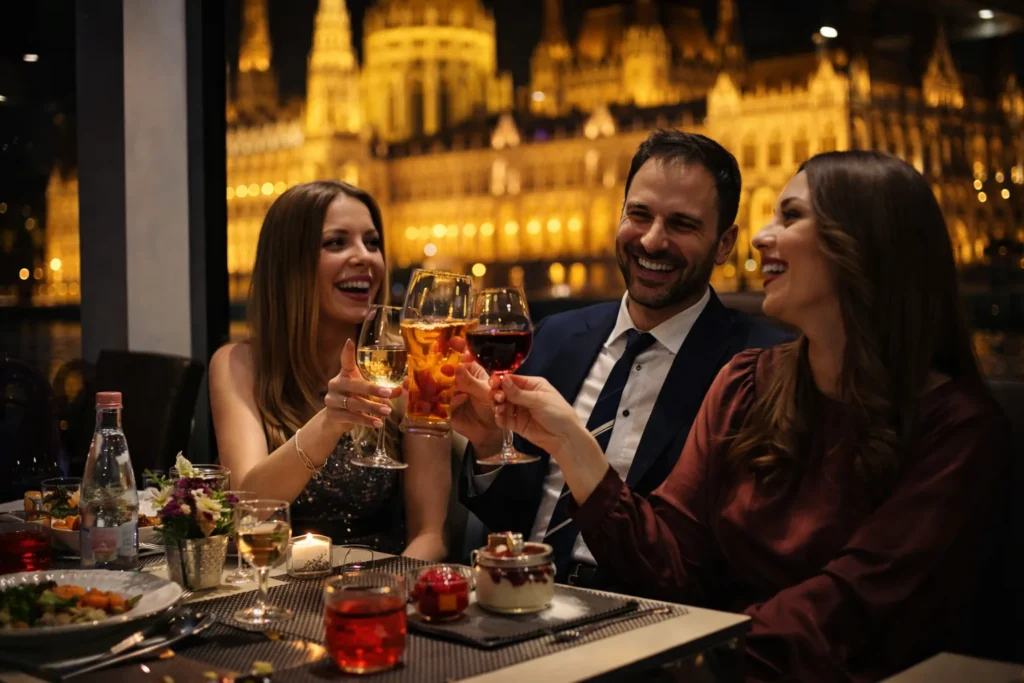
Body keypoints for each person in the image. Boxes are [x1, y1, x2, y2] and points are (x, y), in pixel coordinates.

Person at [490, 151, 1011, 682]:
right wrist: (572, 445)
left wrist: (683, 661)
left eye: (790, 217)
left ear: (866, 246)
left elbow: (845, 616)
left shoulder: (960, 431)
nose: (762, 237)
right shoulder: (746, 383)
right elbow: (671, 564)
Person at [453, 130, 791, 587]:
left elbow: (722, 557)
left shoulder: (759, 367)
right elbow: (515, 517)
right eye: (639, 215)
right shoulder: (555, 337)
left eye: (682, 224)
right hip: (520, 598)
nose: (652, 241)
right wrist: (491, 446)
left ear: (725, 243)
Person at [209, 181, 449, 561]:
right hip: (272, 587)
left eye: (372, 243)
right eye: (336, 243)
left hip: (381, 590)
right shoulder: (238, 365)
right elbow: (248, 508)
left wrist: (380, 599)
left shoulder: (414, 366)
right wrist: (330, 423)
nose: (365, 258)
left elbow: (430, 535)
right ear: (289, 263)